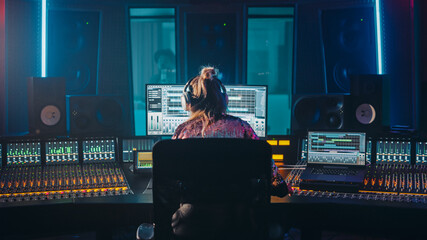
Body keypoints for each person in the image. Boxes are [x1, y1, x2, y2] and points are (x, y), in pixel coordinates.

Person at [173, 66, 292, 196]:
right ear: (225, 99)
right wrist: (282, 188)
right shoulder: (242, 127)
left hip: (192, 212)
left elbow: (170, 175)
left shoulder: (182, 131)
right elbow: (268, 167)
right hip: (236, 212)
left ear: (187, 102)